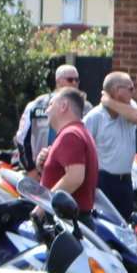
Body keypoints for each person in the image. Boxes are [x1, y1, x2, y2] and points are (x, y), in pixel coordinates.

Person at [84, 71, 137, 217]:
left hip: (126, 180)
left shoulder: (130, 107)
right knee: (105, 223)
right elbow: (82, 146)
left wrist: (109, 101)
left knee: (126, 223)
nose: (133, 93)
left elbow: (136, 117)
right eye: (130, 88)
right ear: (116, 90)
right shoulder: (95, 116)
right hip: (104, 181)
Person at [39, 87, 98, 216]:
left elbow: (74, 178)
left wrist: (42, 208)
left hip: (66, 221)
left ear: (63, 106)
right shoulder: (78, 132)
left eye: (50, 104)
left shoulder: (70, 135)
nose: (46, 110)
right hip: (73, 219)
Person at [18, 64, 84, 174]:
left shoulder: (84, 107)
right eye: (70, 80)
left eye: (77, 80)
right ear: (58, 81)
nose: (74, 83)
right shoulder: (36, 105)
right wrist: (31, 169)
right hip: (40, 170)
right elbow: (21, 138)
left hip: (69, 170)